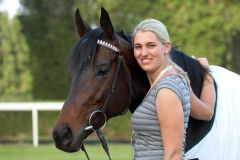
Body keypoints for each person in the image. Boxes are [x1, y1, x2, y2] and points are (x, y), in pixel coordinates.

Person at [131, 18, 216, 159]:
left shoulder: (167, 90)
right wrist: (207, 75)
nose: (143, 53)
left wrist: (207, 72)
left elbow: (173, 155)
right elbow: (206, 112)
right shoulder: (176, 77)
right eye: (138, 47)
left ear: (167, 47)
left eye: (151, 45)